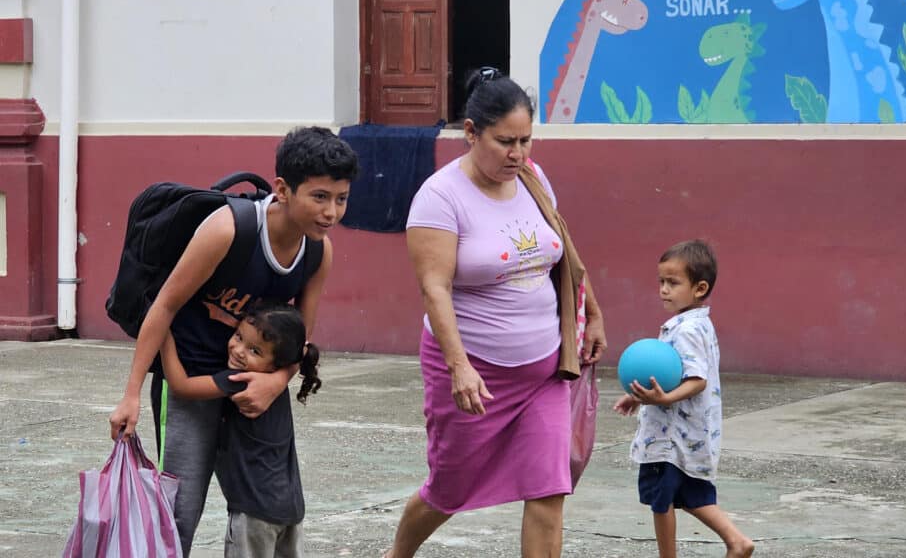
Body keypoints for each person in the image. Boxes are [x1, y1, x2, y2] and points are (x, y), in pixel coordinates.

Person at [383, 67, 607, 558]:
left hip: (546, 369)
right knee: (449, 489)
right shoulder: (440, 199)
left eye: (527, 140)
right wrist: (459, 367)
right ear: (470, 132)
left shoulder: (532, 176)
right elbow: (434, 290)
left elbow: (560, 244)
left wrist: (592, 308)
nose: (519, 154)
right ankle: (397, 554)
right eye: (506, 141)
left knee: (550, 489)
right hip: (474, 373)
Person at [108, 126, 359, 556]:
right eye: (319, 197)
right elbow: (163, 306)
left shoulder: (319, 253)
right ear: (282, 190)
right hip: (190, 380)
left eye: (341, 199)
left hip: (256, 388)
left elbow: (301, 334)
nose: (331, 212)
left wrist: (276, 382)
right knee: (180, 513)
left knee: (268, 509)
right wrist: (130, 394)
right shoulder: (229, 229)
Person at [612, 240, 754, 558]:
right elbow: (671, 374)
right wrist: (638, 396)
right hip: (692, 434)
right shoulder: (698, 323)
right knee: (694, 496)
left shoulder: (686, 330)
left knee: (660, 501)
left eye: (673, 283)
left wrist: (663, 400)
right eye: (661, 281)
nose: (664, 290)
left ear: (700, 288)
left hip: (670, 439)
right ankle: (737, 541)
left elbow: (696, 380)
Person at [159, 302, 319, 558]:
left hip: (253, 512)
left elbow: (181, 387)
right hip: (291, 509)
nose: (239, 350)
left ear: (275, 365)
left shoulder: (240, 381)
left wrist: (164, 336)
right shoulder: (274, 386)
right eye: (238, 336)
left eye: (255, 350)